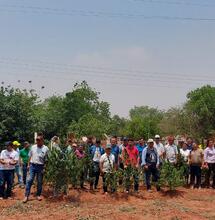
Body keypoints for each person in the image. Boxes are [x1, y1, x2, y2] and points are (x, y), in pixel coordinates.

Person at [23, 135, 49, 203]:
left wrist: (45, 167)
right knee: (29, 180)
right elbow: (29, 156)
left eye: (38, 140)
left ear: (42, 141)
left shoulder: (46, 148)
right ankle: (26, 196)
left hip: (40, 166)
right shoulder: (33, 147)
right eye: (36, 140)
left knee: (39, 181)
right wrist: (28, 165)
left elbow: (47, 159)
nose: (37, 141)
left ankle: (38, 195)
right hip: (32, 165)